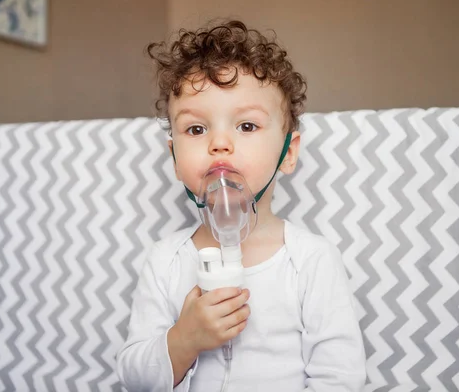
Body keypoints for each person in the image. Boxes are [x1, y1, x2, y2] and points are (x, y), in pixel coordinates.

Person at [117, 19, 366, 392]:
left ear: (289, 153)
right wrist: (183, 340)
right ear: (174, 156)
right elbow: (133, 379)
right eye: (196, 129)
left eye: (246, 127)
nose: (219, 143)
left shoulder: (311, 260)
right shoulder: (166, 261)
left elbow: (341, 379)